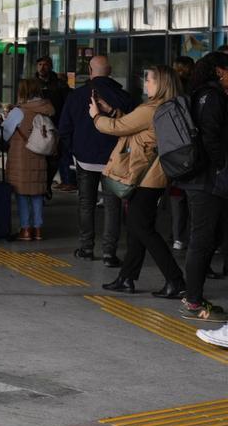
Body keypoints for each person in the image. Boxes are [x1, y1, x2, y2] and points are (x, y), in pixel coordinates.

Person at [95, 65, 185, 297]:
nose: (145, 84)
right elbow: (136, 128)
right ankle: (127, 278)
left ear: (161, 83)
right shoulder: (170, 106)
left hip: (146, 177)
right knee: (136, 229)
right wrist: (113, 111)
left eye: (149, 80)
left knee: (142, 228)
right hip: (154, 175)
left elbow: (118, 129)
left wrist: (97, 117)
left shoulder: (152, 108)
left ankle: (175, 280)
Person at [58, 55, 135, 265]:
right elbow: (133, 127)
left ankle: (86, 248)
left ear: (90, 71)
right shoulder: (124, 97)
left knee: (86, 204)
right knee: (113, 205)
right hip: (114, 160)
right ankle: (109, 253)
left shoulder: (76, 96)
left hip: (84, 159)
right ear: (109, 71)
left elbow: (64, 128)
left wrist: (74, 151)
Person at [174, 53, 228, 321]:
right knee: (201, 240)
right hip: (206, 179)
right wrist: (221, 166)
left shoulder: (201, 94)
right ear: (220, 71)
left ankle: (193, 296)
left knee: (206, 238)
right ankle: (193, 301)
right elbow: (211, 137)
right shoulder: (212, 97)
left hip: (201, 178)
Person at [4, 78, 54, 241]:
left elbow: (5, 134)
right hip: (39, 154)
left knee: (22, 193)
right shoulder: (45, 108)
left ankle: (26, 229)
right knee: (37, 192)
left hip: (21, 156)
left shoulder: (18, 111)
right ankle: (38, 229)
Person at [166, 55, 197, 250]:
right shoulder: (197, 91)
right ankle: (193, 236)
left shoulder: (170, 94)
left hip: (174, 150)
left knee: (177, 197)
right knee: (194, 199)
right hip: (192, 149)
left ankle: (177, 236)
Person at [36, 57, 72, 192]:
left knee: (56, 156)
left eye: (45, 65)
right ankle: (43, 186)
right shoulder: (33, 83)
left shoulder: (58, 83)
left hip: (57, 123)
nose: (42, 67)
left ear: (51, 67)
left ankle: (52, 183)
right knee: (41, 156)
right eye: (39, 64)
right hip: (39, 125)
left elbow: (68, 100)